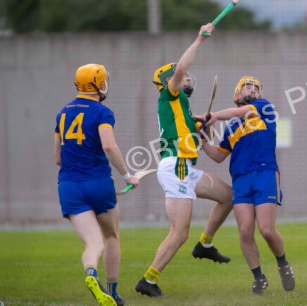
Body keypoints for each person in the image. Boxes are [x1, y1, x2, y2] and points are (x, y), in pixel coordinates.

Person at [135, 24, 233, 298]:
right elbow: (178, 71)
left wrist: (206, 124)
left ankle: (205, 245)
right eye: (183, 75)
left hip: (187, 167)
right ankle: (148, 280)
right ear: (169, 80)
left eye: (189, 75)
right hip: (175, 166)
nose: (187, 77)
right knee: (179, 234)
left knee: (229, 197)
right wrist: (199, 39)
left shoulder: (183, 108)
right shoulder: (169, 94)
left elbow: (204, 143)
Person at [199, 76, 295, 295]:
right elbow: (219, 156)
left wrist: (213, 116)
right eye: (247, 87)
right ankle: (259, 278)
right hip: (241, 179)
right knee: (244, 231)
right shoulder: (231, 127)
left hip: (264, 173)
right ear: (237, 94)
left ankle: (283, 264)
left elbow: (236, 112)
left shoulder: (263, 107)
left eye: (256, 88)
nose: (253, 90)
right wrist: (203, 139)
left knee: (267, 230)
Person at [55, 63, 140, 306]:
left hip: (69, 186)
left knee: (93, 244)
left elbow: (57, 158)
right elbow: (109, 146)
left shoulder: (62, 113)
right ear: (99, 84)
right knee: (111, 236)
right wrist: (127, 176)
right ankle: (112, 293)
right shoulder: (103, 112)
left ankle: (91, 273)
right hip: (99, 183)